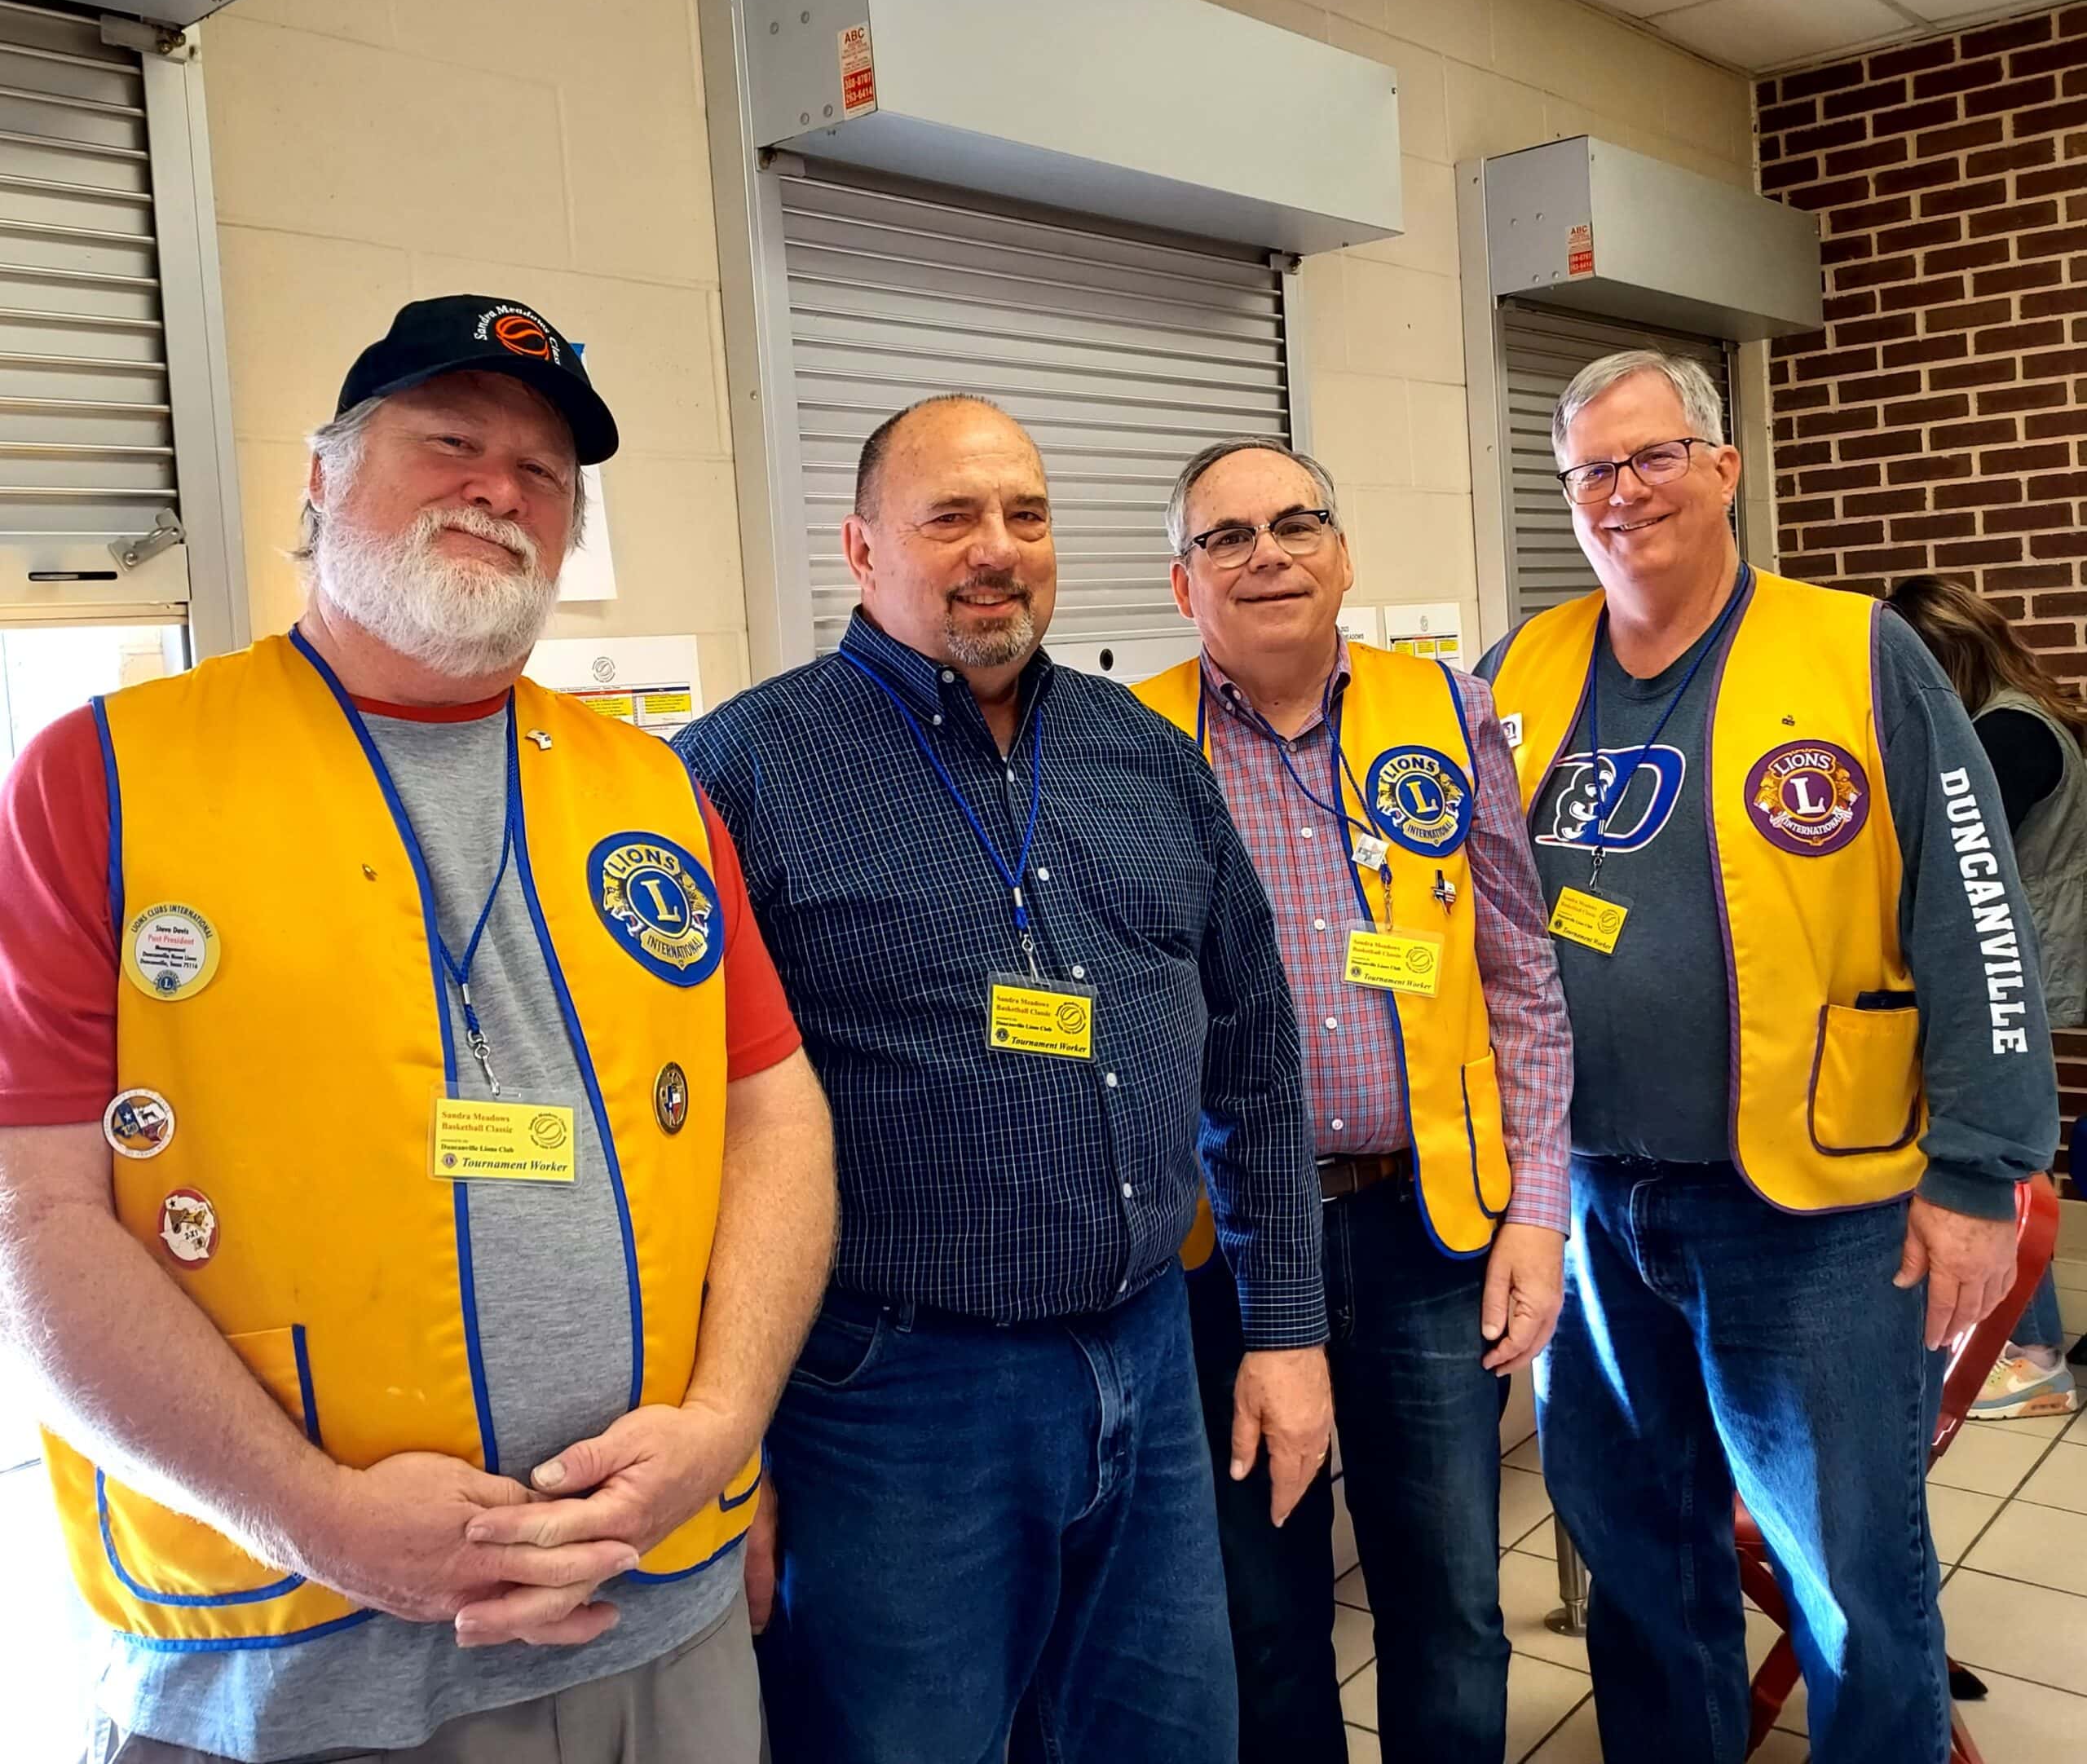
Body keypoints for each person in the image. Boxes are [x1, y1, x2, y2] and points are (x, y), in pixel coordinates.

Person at [0, 295, 836, 1764]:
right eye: (451, 441)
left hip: (654, 1600)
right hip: (287, 1645)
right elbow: (32, 1215)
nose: (498, 492)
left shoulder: (654, 793)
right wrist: (308, 1512)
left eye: (544, 477)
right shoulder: (106, 778)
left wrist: (723, 1426)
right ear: (320, 480)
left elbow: (775, 1116)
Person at [677, 393, 1329, 1764]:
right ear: (861, 553)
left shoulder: (1143, 755)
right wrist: (725, 1445)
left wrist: (1283, 1327)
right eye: (951, 516)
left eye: (1025, 515)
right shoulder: (738, 773)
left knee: (1168, 1739)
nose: (998, 548)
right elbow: (674, 1137)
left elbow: (1259, 1057)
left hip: (1150, 1361)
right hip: (891, 1400)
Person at [1477, 349, 2059, 1764]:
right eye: (1594, 472)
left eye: (1656, 455)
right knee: (1636, 1556)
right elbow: (1468, 909)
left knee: (1850, 1579)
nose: (1627, 494)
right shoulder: (1520, 669)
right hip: (1587, 1209)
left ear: (1725, 468)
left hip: (1812, 1210)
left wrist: (1984, 1170)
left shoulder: (1857, 652)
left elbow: (1975, 911)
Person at [1135, 435, 1574, 1762]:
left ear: (1342, 552)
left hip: (1424, 1234)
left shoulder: (1444, 711)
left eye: (1296, 523)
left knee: (1446, 1598)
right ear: (1182, 581)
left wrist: (1540, 1213)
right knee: (1261, 1615)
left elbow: (1522, 979)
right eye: (1227, 537)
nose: (1266, 553)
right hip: (1223, 1249)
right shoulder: (1122, 742)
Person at [1889, 572, 2084, 1415]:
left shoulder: (2002, 736)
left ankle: (2031, 1354)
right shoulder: (2020, 711)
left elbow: (1947, 866)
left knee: (1996, 1151)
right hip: (2035, 954)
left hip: (2017, 964)